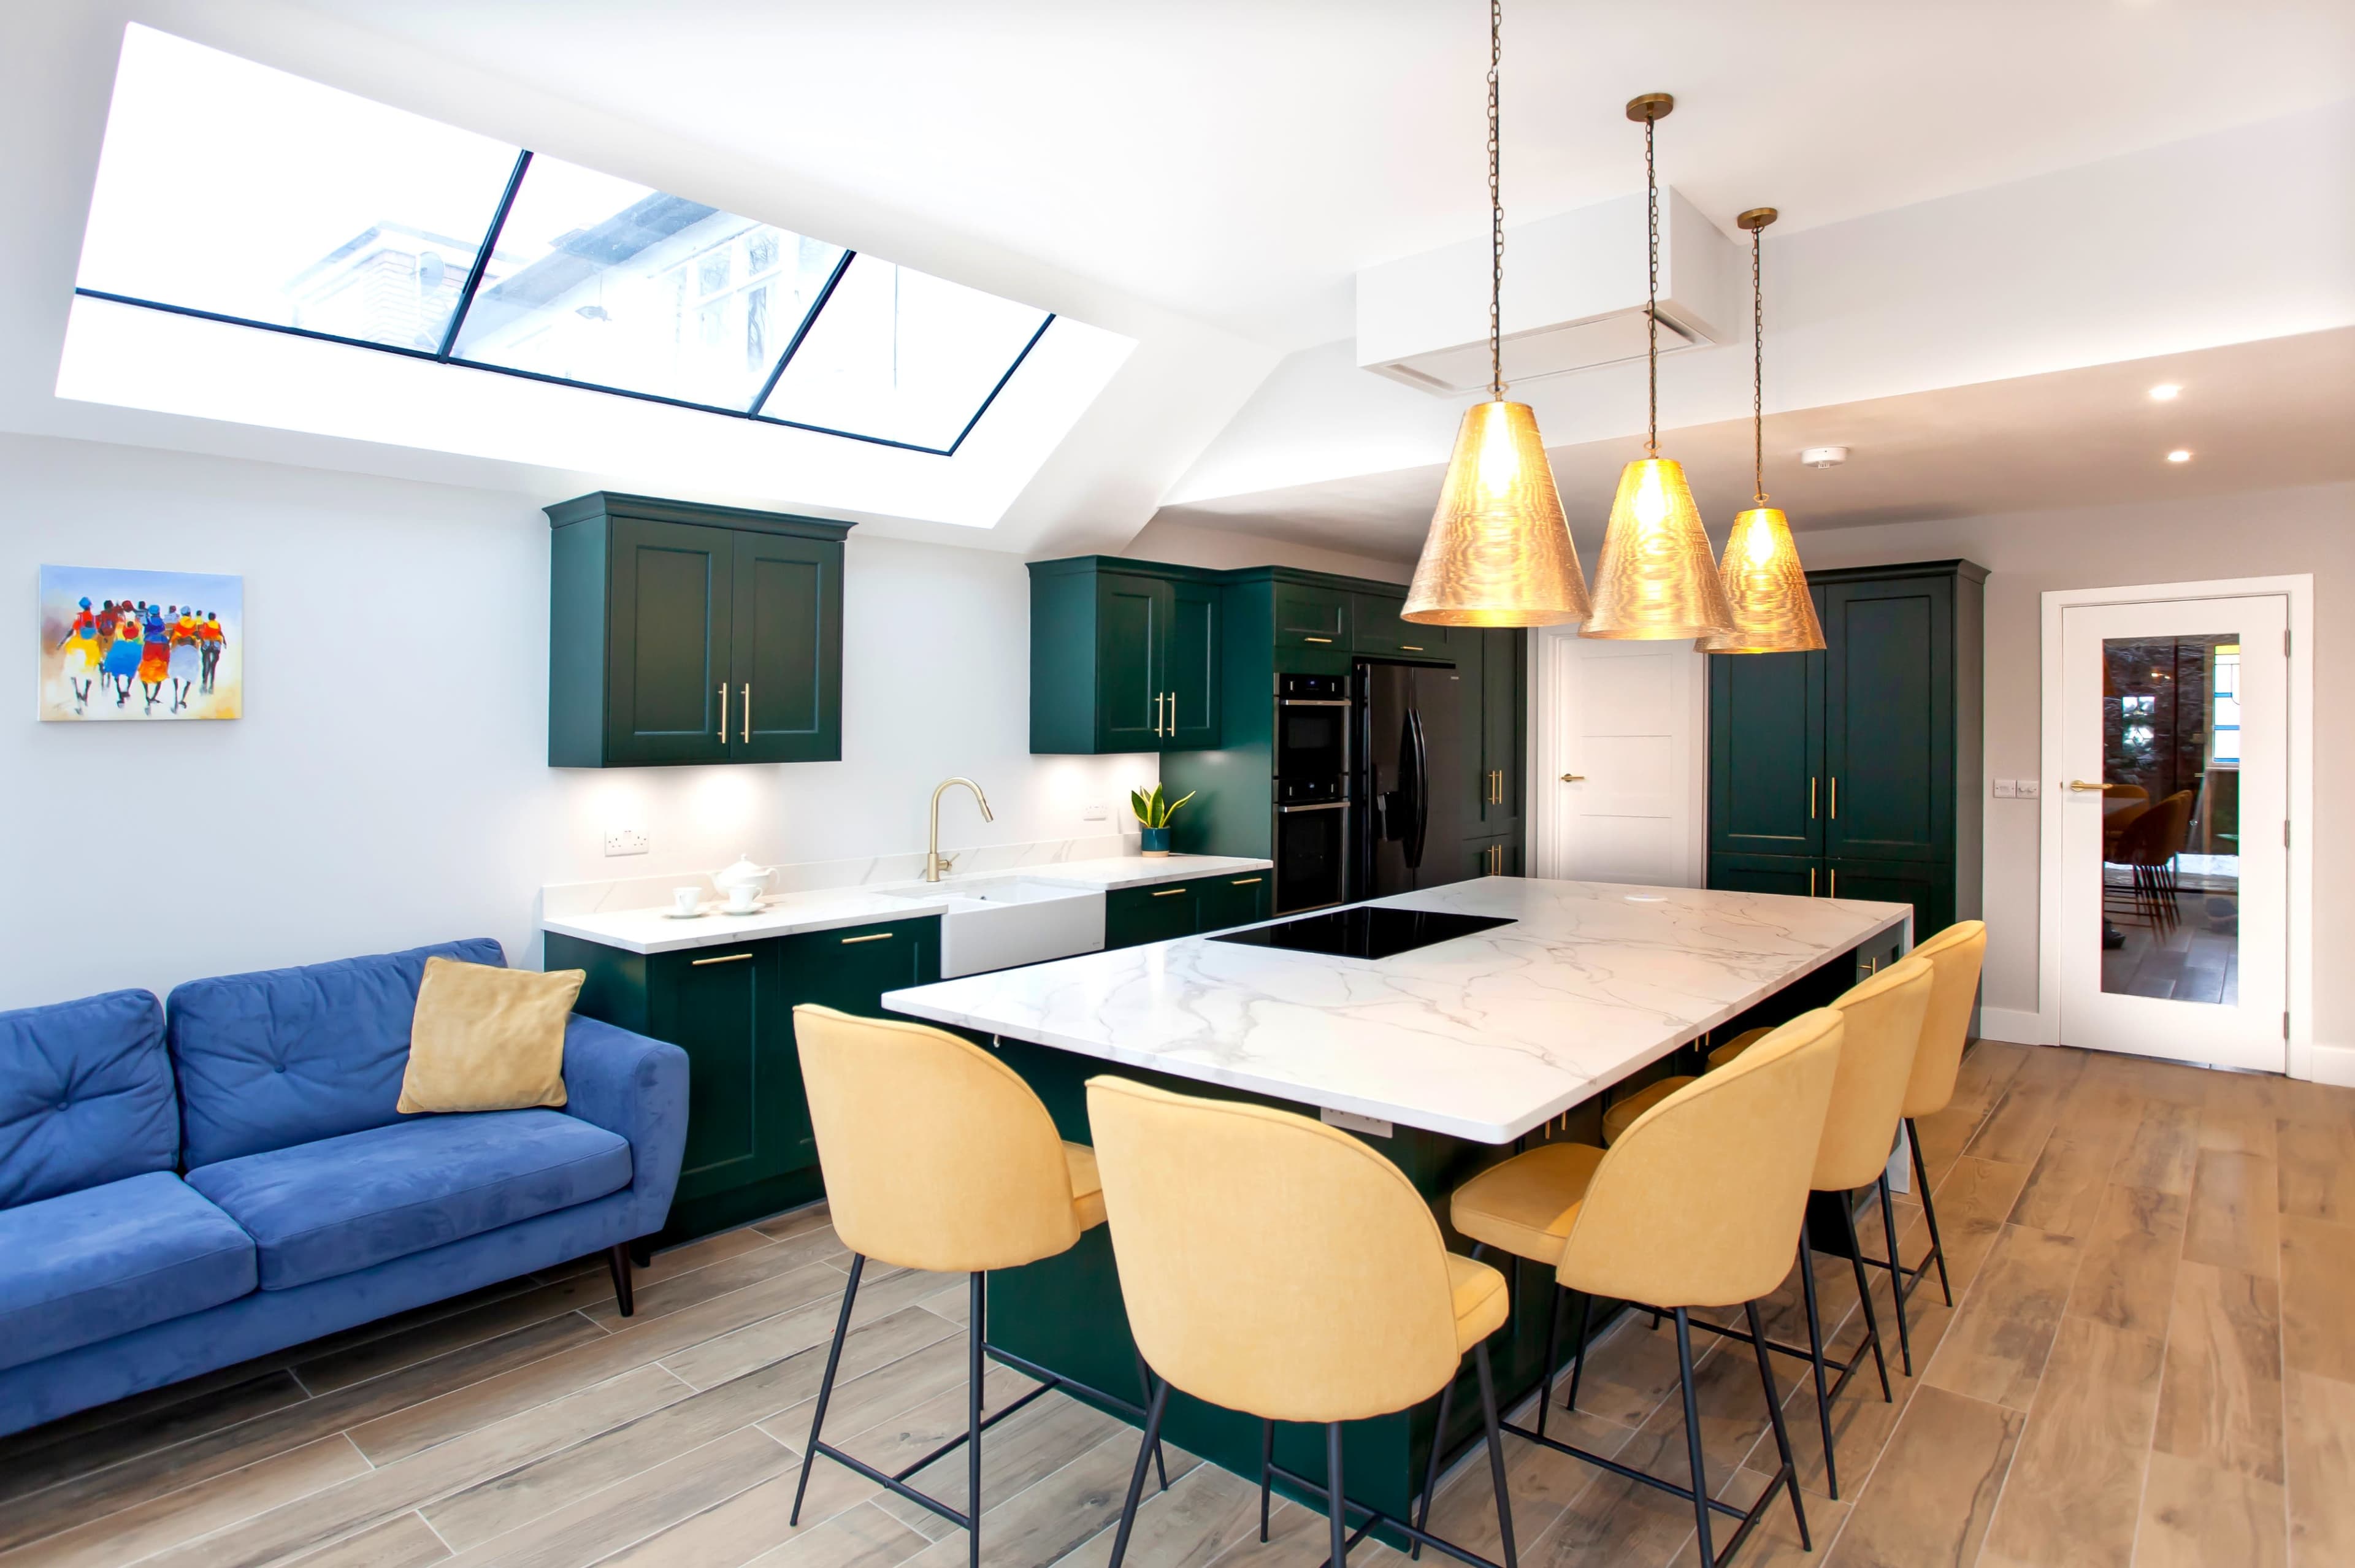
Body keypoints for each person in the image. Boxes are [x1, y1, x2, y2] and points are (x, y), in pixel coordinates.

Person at [55, 597, 101, 713]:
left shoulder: (79, 617)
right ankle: (85, 693)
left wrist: (62, 642)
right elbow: (98, 632)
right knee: (90, 672)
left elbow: (72, 631)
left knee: (72, 671)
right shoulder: (95, 618)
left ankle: (77, 693)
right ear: (90, 606)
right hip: (91, 646)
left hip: (78, 644)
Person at [137, 604, 170, 715]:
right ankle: (153, 697)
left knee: (145, 670)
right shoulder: (161, 621)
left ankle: (147, 697)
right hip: (161, 644)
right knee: (160, 673)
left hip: (150, 645)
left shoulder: (147, 620)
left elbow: (142, 622)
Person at [167, 608, 202, 713]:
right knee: (190, 677)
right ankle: (182, 699)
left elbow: (172, 634)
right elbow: (198, 635)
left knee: (174, 675)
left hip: (178, 649)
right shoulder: (194, 623)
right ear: (190, 614)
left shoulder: (178, 623)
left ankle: (176, 699)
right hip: (191, 650)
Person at [197, 610, 225, 694]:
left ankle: (204, 683)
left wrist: (201, 641)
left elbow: (201, 634)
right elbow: (220, 633)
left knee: (205, 664)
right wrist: (225, 642)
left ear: (209, 617)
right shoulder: (217, 624)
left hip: (207, 643)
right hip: (216, 644)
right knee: (213, 666)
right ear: (215, 617)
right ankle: (211, 686)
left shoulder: (205, 624)